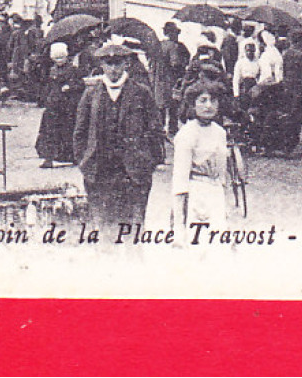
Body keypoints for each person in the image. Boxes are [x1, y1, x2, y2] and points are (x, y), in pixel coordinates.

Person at [73, 38, 163, 235]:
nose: (113, 69)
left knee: (134, 229)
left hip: (134, 174)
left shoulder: (141, 92)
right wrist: (84, 161)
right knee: (105, 229)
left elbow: (155, 129)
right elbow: (79, 132)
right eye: (108, 64)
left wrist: (149, 162)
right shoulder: (91, 95)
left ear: (126, 64)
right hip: (100, 173)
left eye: (118, 63)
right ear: (102, 65)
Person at [170, 81, 237, 244]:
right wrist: (178, 223)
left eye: (213, 101)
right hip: (195, 194)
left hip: (216, 194)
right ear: (193, 104)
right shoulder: (187, 133)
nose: (208, 106)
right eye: (203, 100)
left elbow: (222, 175)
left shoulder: (220, 132)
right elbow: (180, 180)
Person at [36, 42, 82, 168]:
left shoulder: (73, 70)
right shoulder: (52, 70)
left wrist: (70, 87)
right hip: (53, 104)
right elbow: (48, 86)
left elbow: (80, 85)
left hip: (68, 105)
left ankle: (73, 156)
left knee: (68, 131)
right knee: (50, 132)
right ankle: (48, 158)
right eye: (56, 58)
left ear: (66, 57)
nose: (59, 61)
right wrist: (45, 98)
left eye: (61, 58)